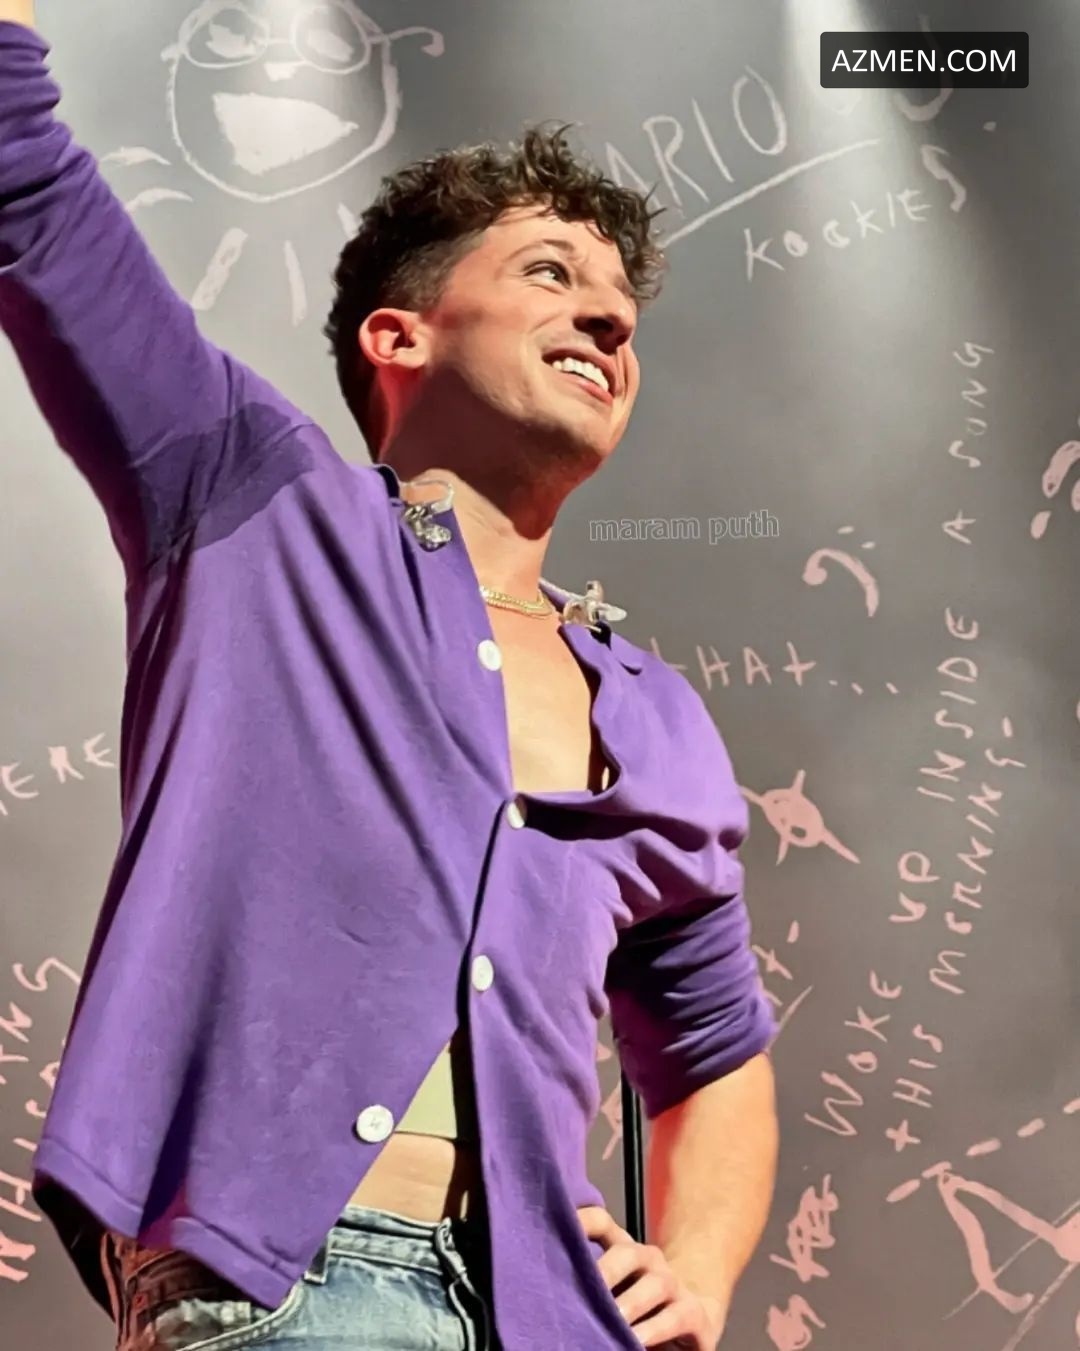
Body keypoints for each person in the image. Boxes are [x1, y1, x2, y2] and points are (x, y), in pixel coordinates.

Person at [0, 4, 779, 1348]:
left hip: (548, 1318)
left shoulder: (658, 713)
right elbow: (26, 185)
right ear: (399, 337)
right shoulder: (250, 494)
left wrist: (697, 1273)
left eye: (621, 308)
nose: (608, 316)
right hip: (288, 1290)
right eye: (550, 273)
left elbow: (716, 1047)